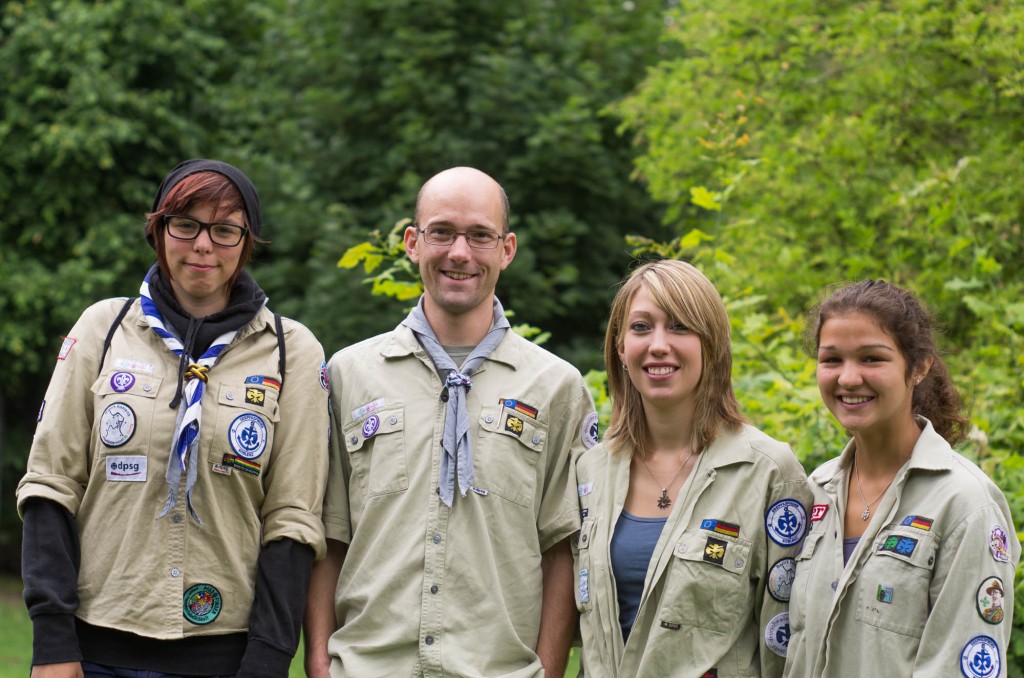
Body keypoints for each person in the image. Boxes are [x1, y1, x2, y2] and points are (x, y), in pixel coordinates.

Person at [17, 159, 329, 677]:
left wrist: (269, 661)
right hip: (94, 654)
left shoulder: (290, 350)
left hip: (226, 658)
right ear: (158, 231)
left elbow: (293, 518)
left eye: (225, 230)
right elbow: (50, 484)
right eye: (185, 225)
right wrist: (53, 642)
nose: (203, 245)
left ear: (246, 241)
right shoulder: (104, 329)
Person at [303, 166, 599, 678]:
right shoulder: (349, 375)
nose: (459, 253)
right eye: (442, 232)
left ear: (506, 250)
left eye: (480, 235)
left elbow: (562, 548)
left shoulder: (557, 387)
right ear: (413, 243)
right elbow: (329, 535)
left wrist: (549, 672)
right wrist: (318, 660)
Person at [574, 259, 812, 676]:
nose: (659, 344)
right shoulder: (590, 470)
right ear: (620, 347)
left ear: (712, 344)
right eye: (641, 327)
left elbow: (786, 641)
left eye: (680, 326)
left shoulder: (768, 470)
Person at [784, 280, 1020, 677]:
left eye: (872, 359)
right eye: (831, 360)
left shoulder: (965, 505)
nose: (848, 378)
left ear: (920, 366)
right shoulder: (817, 489)